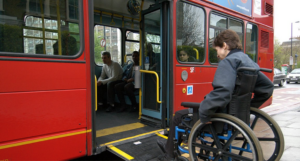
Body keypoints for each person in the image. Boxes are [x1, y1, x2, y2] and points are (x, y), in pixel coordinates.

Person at [157, 29, 274, 161]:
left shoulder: (229, 61)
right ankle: (172, 147)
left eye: (217, 50)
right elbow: (267, 88)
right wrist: (248, 107)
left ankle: (169, 155)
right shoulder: (248, 61)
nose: (217, 55)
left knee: (178, 116)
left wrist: (205, 112)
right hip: (237, 117)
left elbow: (222, 92)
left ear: (224, 46)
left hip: (220, 117)